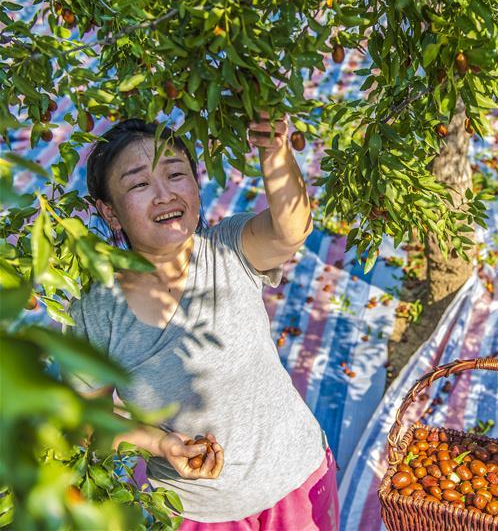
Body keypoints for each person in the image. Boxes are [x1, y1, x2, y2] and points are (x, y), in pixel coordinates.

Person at [67, 117, 339, 529]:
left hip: (295, 480)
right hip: (197, 513)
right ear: (110, 211)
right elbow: (87, 422)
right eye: (139, 184)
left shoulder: (228, 247)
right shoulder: (95, 309)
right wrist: (162, 444)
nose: (164, 194)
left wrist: (274, 150)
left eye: (176, 174)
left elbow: (290, 230)